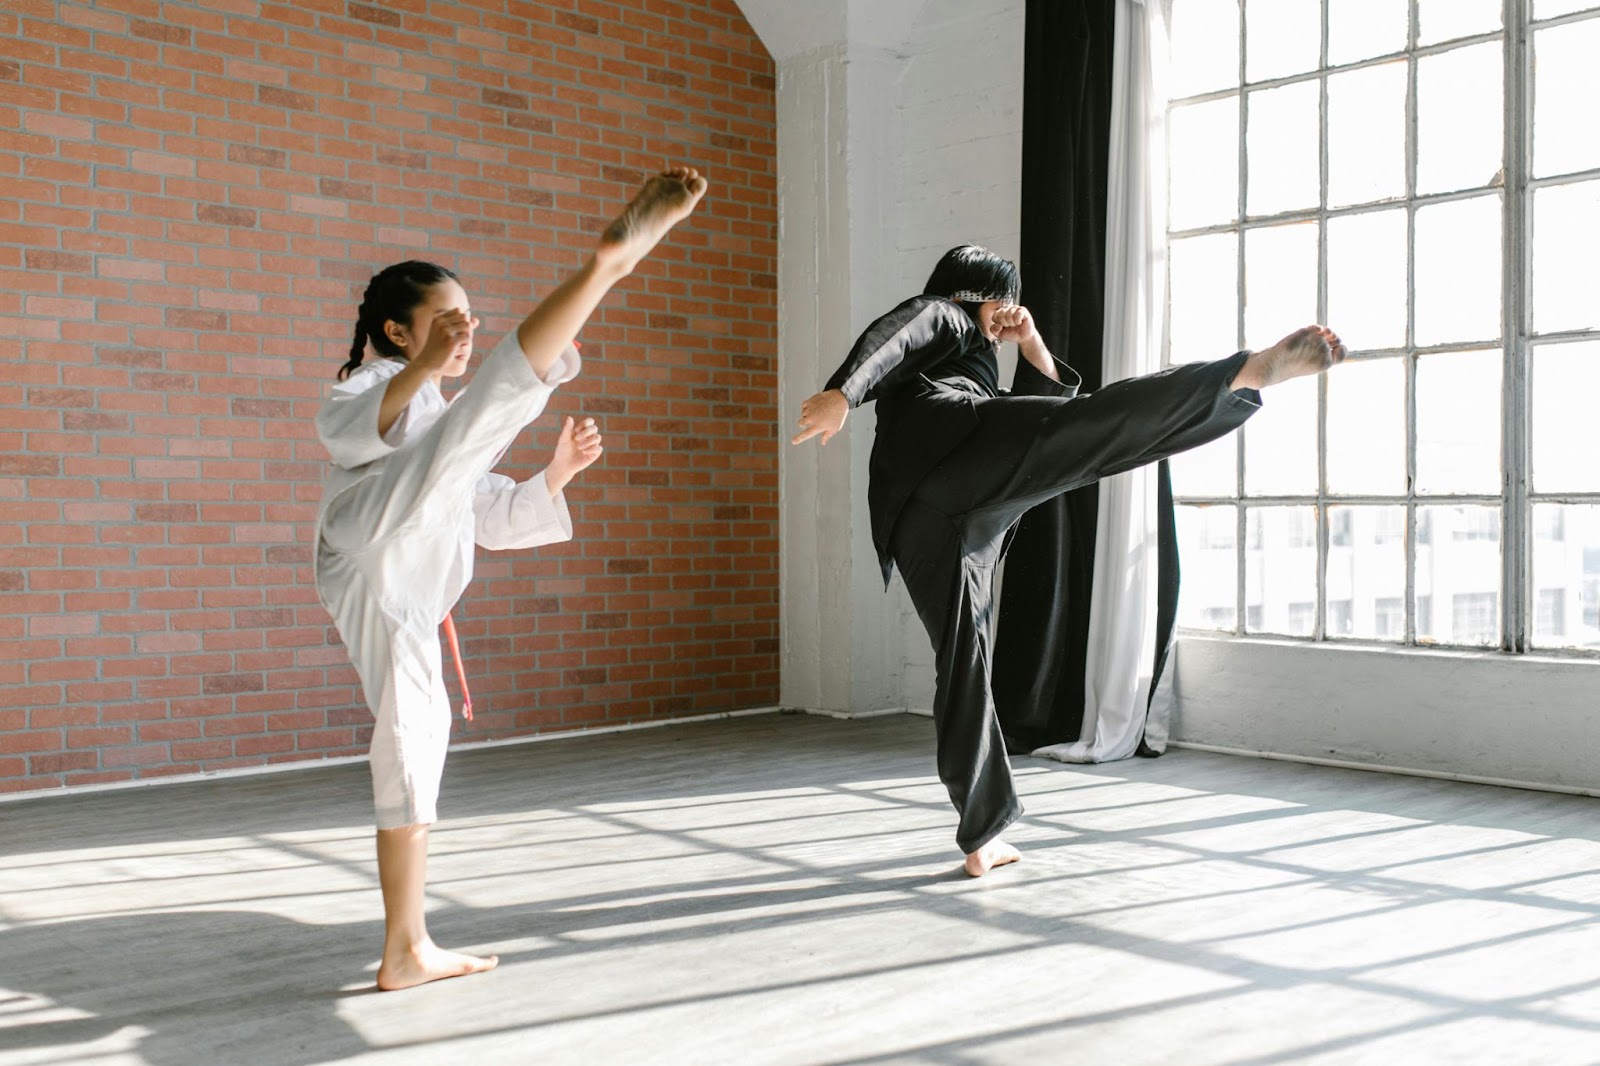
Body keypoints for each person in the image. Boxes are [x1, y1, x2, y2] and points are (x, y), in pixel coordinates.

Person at [791, 244, 1344, 877]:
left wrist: (1029, 343)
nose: (1006, 315)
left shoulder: (971, 361)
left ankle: (983, 834)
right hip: (953, 465)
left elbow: (1033, 414)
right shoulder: (945, 316)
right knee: (1095, 429)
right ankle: (1241, 375)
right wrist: (843, 392)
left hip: (934, 523)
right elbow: (906, 328)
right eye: (1002, 300)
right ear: (976, 294)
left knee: (963, 666)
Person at [314, 168, 707, 990]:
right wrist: (422, 367)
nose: (461, 334)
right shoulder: (372, 385)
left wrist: (556, 475)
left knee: (419, 744)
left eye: (468, 321)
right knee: (485, 405)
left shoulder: (434, 423)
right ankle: (606, 268)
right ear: (395, 331)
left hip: (408, 579)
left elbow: (486, 514)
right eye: (445, 323)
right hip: (371, 544)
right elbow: (350, 434)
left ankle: (407, 947)